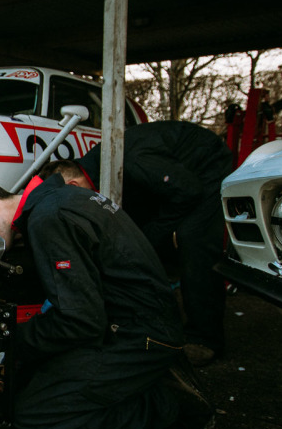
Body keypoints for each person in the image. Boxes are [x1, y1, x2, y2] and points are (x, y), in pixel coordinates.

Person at [0, 176, 214, 429]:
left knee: (31, 418)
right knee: (20, 386)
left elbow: (80, 321)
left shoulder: (49, 218)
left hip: (137, 336)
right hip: (132, 321)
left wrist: (11, 338)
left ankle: (165, 402)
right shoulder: (61, 199)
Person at [45, 121, 233, 366]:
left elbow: (189, 190)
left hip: (203, 165)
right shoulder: (98, 168)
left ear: (73, 185)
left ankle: (206, 339)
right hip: (168, 175)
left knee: (193, 239)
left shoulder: (132, 162)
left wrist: (151, 237)